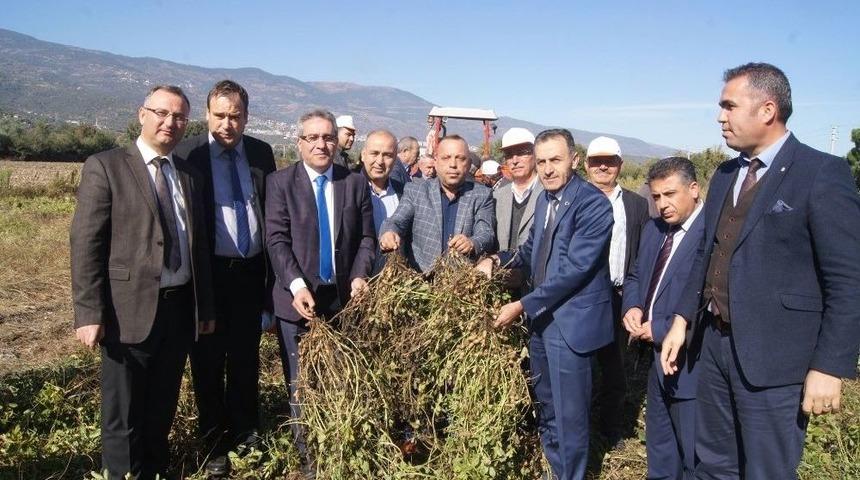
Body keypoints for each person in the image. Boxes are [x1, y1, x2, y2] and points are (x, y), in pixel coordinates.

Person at [662, 63, 860, 479]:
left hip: (776, 361)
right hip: (714, 348)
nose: (720, 117)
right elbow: (706, 255)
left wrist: (829, 366)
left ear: (768, 110)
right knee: (714, 465)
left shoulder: (820, 173)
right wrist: (682, 319)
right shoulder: (724, 175)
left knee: (767, 470)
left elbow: (848, 279)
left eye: (729, 106)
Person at [70, 85, 215, 480]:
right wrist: (89, 312)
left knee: (162, 405)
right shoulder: (107, 166)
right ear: (142, 114)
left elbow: (199, 246)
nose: (170, 122)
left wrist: (204, 307)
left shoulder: (190, 175)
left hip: (179, 309)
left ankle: (153, 470)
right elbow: (86, 243)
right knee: (123, 411)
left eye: (180, 116)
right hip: (126, 310)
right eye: (162, 113)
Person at [477, 128, 615, 480]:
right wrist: (495, 260)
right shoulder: (545, 200)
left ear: (574, 160)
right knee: (548, 405)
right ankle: (555, 468)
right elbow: (529, 252)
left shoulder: (593, 204)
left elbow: (575, 270)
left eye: (556, 160)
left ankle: (570, 474)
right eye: (541, 162)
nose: (548, 169)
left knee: (570, 414)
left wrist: (521, 305)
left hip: (570, 326)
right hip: (542, 322)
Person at [265, 109, 375, 477]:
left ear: (337, 142)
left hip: (343, 302)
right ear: (299, 143)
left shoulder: (353, 183)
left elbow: (366, 238)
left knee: (340, 379)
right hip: (298, 302)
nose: (321, 144)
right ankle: (309, 460)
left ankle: (338, 450)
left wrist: (359, 276)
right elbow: (277, 240)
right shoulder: (280, 183)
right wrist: (297, 285)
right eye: (312, 137)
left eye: (327, 137)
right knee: (301, 384)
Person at [174, 80, 276, 476]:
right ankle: (214, 441)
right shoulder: (189, 153)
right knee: (208, 361)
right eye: (219, 116)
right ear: (206, 115)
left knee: (246, 358)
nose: (227, 124)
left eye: (235, 116)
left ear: (246, 118)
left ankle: (246, 432)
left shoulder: (261, 153)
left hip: (250, 273)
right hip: (208, 274)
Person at [621, 157, 704, 480]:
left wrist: (657, 328)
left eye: (670, 194)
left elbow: (706, 299)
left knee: (692, 452)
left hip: (691, 362)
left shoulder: (711, 234)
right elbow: (636, 274)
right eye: (656, 197)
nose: (662, 204)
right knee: (660, 444)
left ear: (694, 189)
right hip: (656, 362)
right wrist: (632, 306)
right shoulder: (655, 230)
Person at [584, 135, 650, 444]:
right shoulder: (575, 198)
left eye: (609, 161)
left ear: (620, 165)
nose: (603, 167)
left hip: (620, 295)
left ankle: (609, 427)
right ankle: (581, 427)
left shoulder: (637, 204)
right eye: (596, 161)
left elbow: (643, 254)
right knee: (581, 365)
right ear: (586, 165)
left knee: (615, 365)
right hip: (582, 298)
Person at [379, 135, 495, 273]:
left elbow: (486, 232)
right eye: (446, 158)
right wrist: (390, 232)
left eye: (460, 158)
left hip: (462, 280)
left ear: (469, 164)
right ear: (436, 162)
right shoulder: (416, 191)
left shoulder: (482, 194)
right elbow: (397, 221)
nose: (453, 164)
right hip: (420, 279)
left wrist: (472, 242)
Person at [360, 129, 405, 273]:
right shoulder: (347, 190)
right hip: (356, 279)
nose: (380, 161)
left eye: (387, 155)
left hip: (394, 279)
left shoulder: (405, 193)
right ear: (363, 155)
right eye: (374, 153)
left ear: (395, 159)